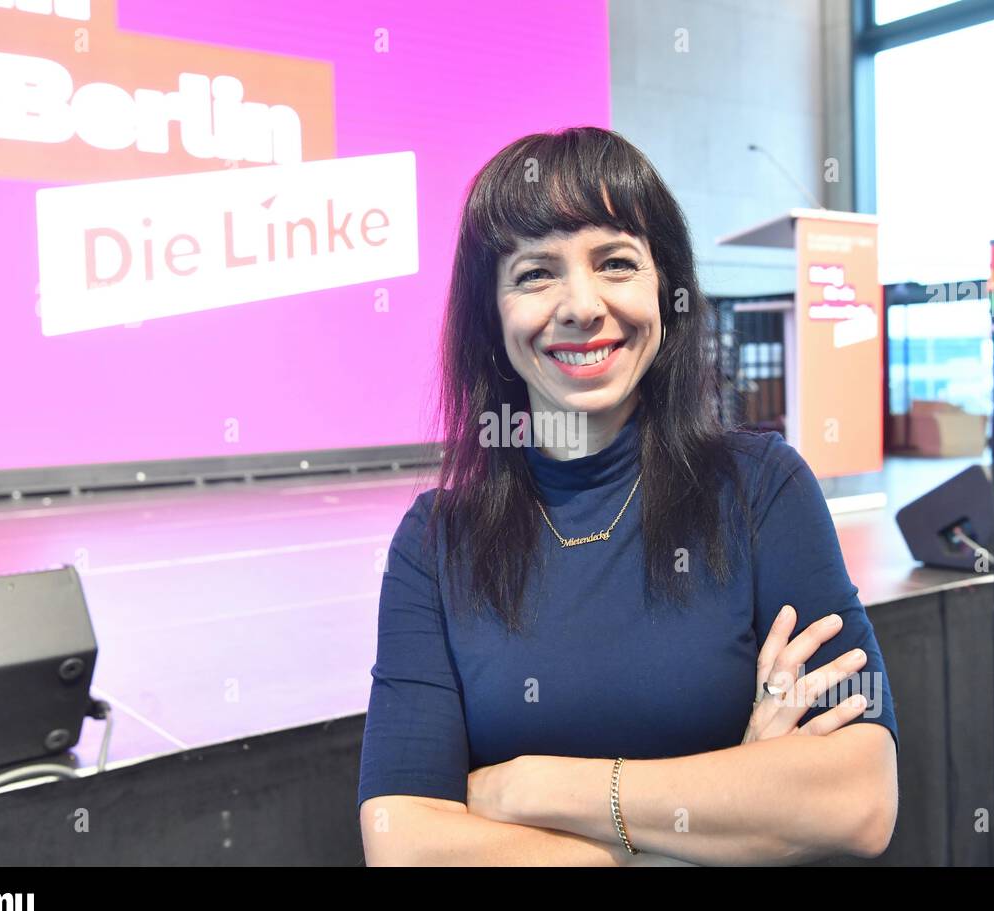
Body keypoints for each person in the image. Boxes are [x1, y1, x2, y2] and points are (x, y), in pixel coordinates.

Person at [358, 127, 898, 866]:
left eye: (616, 263)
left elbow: (857, 799)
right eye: (535, 274)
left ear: (666, 292)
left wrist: (528, 789)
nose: (582, 305)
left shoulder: (764, 489)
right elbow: (405, 843)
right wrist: (721, 810)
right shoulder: (435, 543)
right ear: (491, 317)